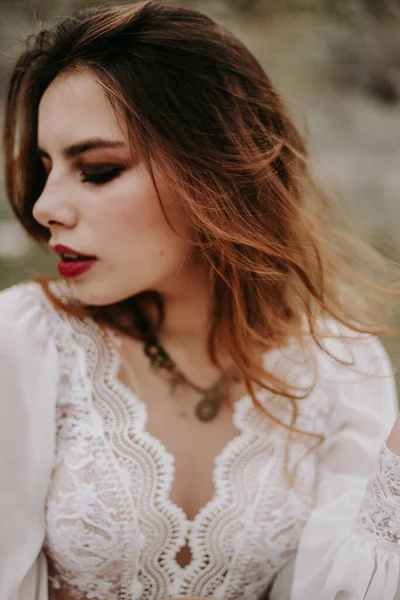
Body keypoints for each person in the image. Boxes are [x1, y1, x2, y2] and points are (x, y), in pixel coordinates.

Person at [1, 1, 400, 599]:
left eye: (99, 169)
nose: (43, 206)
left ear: (212, 168)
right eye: (45, 167)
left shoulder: (339, 365)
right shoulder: (26, 342)